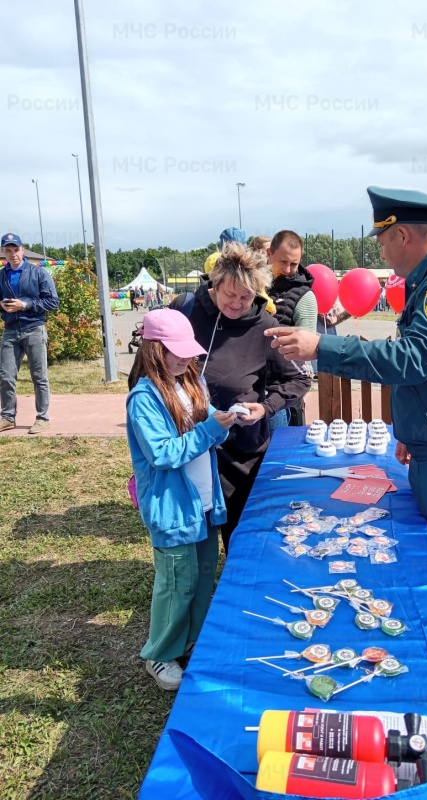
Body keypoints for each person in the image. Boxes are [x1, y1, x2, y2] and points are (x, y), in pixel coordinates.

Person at [266, 186, 427, 721]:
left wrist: (320, 347)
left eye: (381, 239)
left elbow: (416, 358)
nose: (379, 252)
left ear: (401, 234)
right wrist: (412, 427)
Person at [169, 242, 310, 553]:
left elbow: (299, 378)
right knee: (195, 543)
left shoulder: (266, 327)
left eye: (246, 297)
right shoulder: (186, 313)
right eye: (229, 294)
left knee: (241, 539)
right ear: (215, 284)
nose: (236, 303)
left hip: (240, 454)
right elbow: (151, 366)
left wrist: (266, 407)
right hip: (190, 448)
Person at [126, 309, 237, 691]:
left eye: (189, 351)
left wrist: (223, 424)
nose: (186, 358)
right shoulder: (144, 398)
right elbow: (162, 454)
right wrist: (210, 430)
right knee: (177, 583)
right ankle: (160, 655)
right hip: (172, 507)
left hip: (204, 502)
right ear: (154, 349)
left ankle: (192, 641)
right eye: (177, 352)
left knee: (203, 575)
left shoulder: (193, 380)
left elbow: (207, 437)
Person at [0, 232, 59, 434]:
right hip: (10, 331)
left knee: (39, 376)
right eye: (8, 250)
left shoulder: (39, 273)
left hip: (34, 328)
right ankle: (7, 417)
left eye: (16, 249)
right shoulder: (1, 276)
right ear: (2, 252)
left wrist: (24, 305)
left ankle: (43, 417)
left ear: (22, 250)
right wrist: (3, 306)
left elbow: (52, 302)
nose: (13, 254)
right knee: (6, 376)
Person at [266, 230, 317, 430]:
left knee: (275, 454)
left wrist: (269, 326)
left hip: (279, 389)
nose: (288, 269)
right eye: (283, 262)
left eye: (294, 264)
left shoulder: (305, 296)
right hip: (247, 382)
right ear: (269, 254)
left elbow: (305, 348)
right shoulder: (252, 285)